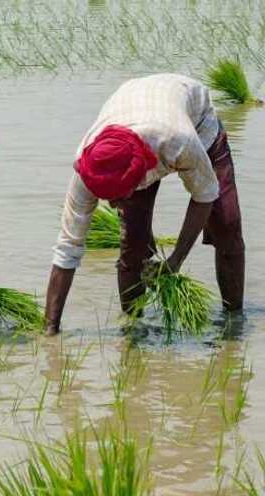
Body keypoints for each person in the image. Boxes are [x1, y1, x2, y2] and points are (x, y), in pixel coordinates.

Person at [43, 73, 244, 333]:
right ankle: (135, 330)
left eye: (118, 197)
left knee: (226, 222)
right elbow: (67, 249)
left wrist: (175, 260)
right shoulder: (88, 166)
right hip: (133, 105)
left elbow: (204, 195)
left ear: (139, 177)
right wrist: (50, 328)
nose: (113, 206)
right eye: (108, 198)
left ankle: (233, 323)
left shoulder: (179, 141)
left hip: (194, 118)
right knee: (133, 243)